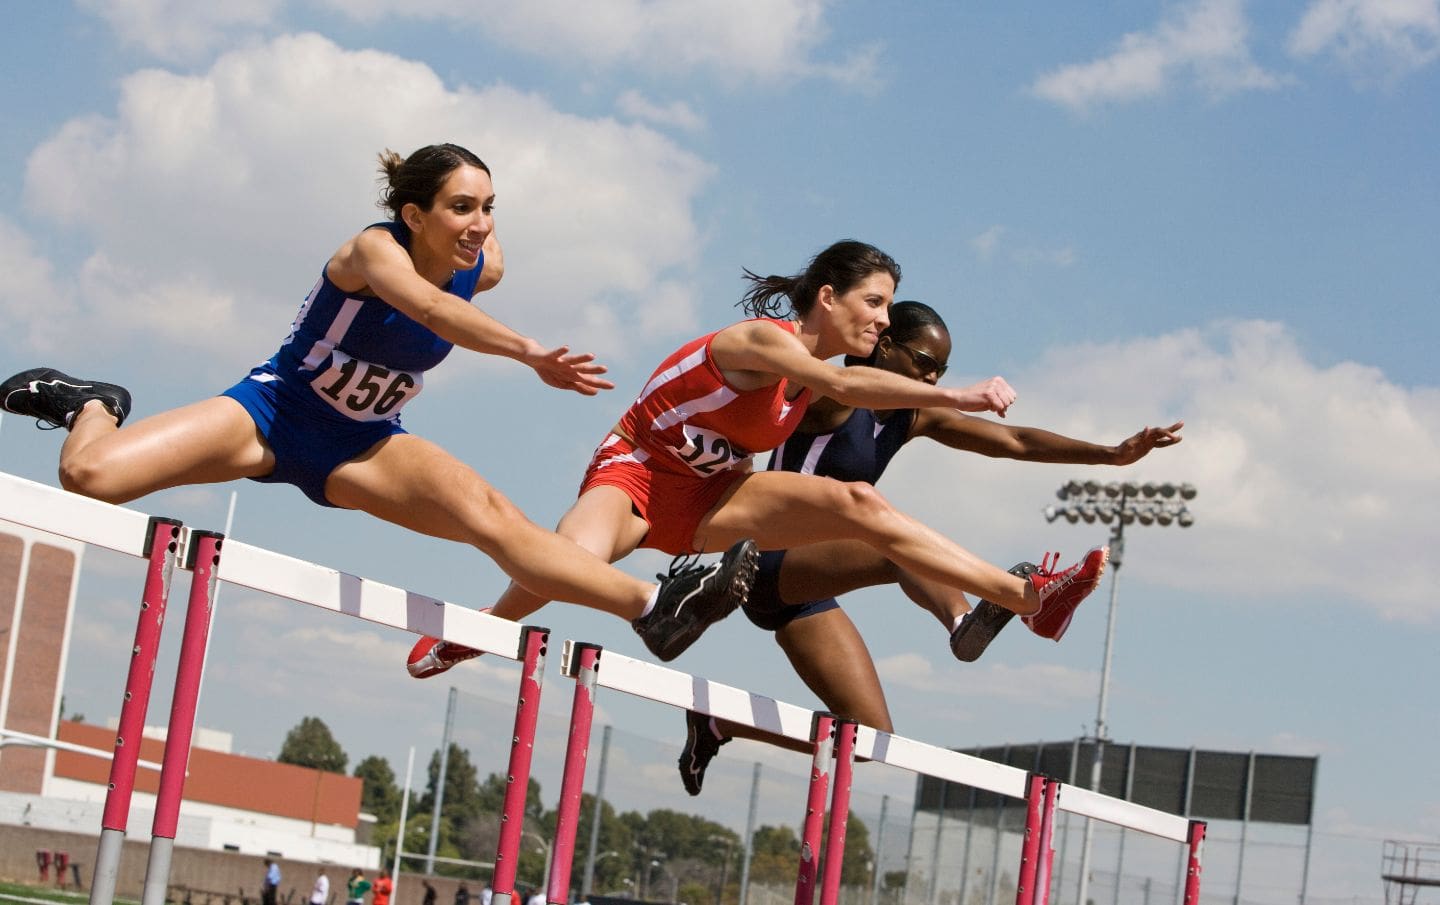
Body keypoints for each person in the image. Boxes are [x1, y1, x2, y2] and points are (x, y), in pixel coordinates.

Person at [0, 143, 757, 666]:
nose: (481, 225)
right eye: (462, 207)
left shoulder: (482, 264)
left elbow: (458, 285)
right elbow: (429, 310)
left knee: (496, 521)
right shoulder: (371, 251)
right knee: (91, 478)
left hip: (363, 442)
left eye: (489, 207)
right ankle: (92, 402)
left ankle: (658, 600)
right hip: (273, 412)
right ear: (413, 212)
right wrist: (530, 353)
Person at [409, 240, 1108, 676]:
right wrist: (961, 394)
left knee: (860, 504)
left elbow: (850, 386)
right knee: (567, 557)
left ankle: (1027, 599)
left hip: (715, 496)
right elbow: (843, 384)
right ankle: (476, 631)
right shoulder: (763, 341)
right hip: (639, 472)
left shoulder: (819, 370)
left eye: (890, 310)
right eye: (875, 302)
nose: (883, 321)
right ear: (827, 296)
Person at [675, 300, 1185, 793]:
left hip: (803, 590)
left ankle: (719, 725)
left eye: (941, 371)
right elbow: (806, 381)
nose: (933, 381)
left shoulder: (912, 415)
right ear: (885, 345)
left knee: (871, 739)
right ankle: (967, 621)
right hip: (765, 559)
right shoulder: (832, 396)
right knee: (888, 534)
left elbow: (1014, 442)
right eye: (924, 364)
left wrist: (1111, 456)